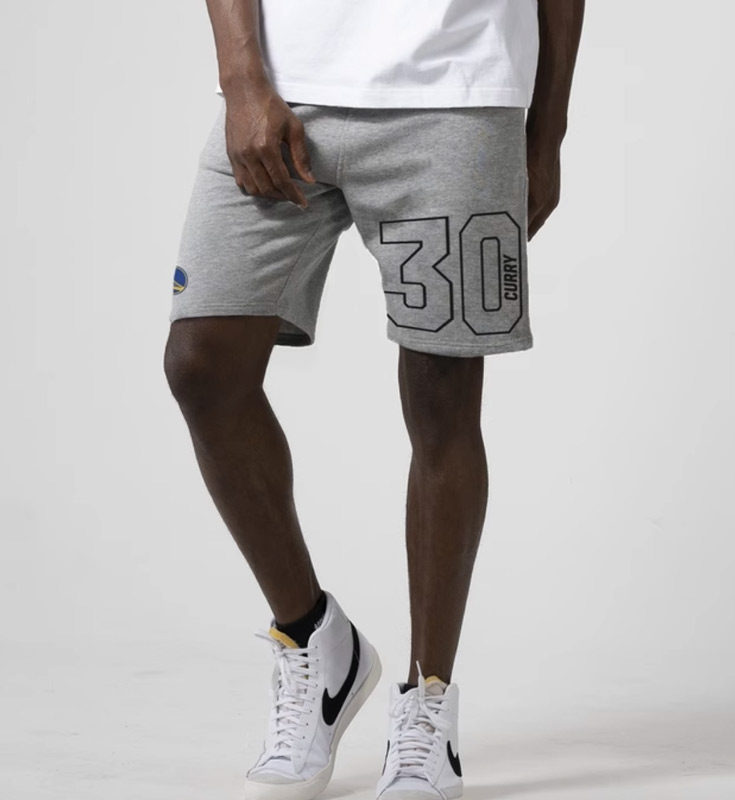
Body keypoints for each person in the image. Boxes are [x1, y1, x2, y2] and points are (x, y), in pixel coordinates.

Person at [163, 1, 584, 798]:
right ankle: (316, 640)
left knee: (442, 399)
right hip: (282, 93)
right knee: (201, 367)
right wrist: (242, 78)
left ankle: (428, 704)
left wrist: (548, 127)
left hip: (458, 94)